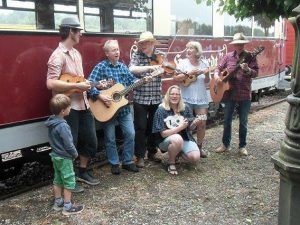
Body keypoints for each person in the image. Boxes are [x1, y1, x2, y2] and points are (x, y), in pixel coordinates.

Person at [46, 17, 100, 190]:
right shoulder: (57, 56)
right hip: (68, 108)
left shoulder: (76, 53)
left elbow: (80, 80)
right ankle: (70, 180)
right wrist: (76, 85)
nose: (81, 34)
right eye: (79, 31)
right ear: (71, 32)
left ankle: (82, 171)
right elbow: (51, 83)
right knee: (69, 145)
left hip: (83, 104)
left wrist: (92, 84)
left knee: (91, 141)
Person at [88, 40, 152, 175]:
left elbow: (131, 81)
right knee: (110, 138)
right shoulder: (101, 67)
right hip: (107, 108)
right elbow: (89, 85)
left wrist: (141, 81)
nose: (117, 52)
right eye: (113, 50)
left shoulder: (123, 67)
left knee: (131, 133)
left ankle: (128, 161)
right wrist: (100, 96)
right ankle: (114, 163)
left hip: (123, 108)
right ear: (106, 53)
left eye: (117, 49)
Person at [213, 33, 259, 156]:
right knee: (227, 120)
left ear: (244, 44)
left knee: (243, 122)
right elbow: (218, 68)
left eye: (241, 44)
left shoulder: (250, 57)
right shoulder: (228, 56)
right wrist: (217, 76)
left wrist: (248, 70)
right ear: (234, 45)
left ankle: (242, 146)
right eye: (237, 44)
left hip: (244, 93)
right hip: (229, 93)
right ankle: (225, 145)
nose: (239, 46)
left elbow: (255, 73)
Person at [45, 94, 84, 215]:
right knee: (69, 181)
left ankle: (58, 202)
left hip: (55, 155)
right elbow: (68, 144)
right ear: (63, 111)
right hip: (64, 157)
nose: (70, 109)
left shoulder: (52, 122)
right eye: (69, 107)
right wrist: (75, 153)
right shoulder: (63, 126)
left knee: (58, 179)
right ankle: (68, 206)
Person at [129, 31, 163, 168]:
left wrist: (165, 69)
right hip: (140, 98)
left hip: (155, 97)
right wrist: (150, 67)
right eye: (141, 43)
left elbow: (168, 70)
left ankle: (152, 152)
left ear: (151, 43)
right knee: (140, 127)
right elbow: (131, 69)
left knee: (153, 127)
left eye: (145, 43)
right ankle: (140, 156)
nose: (142, 45)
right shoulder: (137, 55)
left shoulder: (160, 55)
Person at [152, 85, 201, 175]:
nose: (174, 96)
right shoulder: (161, 109)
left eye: (177, 94)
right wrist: (180, 128)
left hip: (184, 138)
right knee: (177, 138)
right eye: (172, 94)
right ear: (168, 95)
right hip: (165, 141)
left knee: (195, 157)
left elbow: (190, 128)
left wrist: (194, 123)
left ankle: (177, 152)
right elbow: (163, 134)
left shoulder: (185, 108)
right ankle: (171, 162)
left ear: (180, 96)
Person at [173, 41, 210, 158]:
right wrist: (188, 74)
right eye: (187, 48)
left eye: (191, 48)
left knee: (202, 122)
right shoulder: (183, 63)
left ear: (197, 51)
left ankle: (199, 147)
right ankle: (180, 149)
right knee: (183, 123)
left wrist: (207, 74)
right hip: (186, 99)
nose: (187, 50)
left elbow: (207, 82)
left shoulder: (204, 63)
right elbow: (176, 78)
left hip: (201, 98)